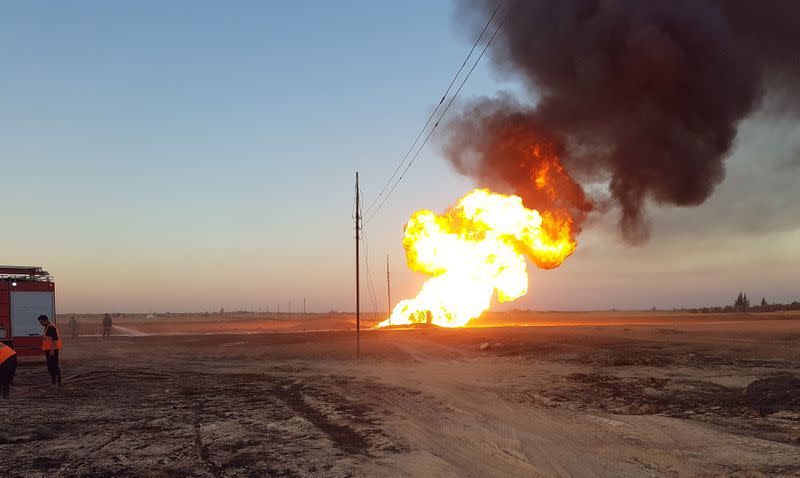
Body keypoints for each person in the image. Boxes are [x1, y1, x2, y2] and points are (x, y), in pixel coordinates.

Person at [38, 315, 62, 387]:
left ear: (46, 320)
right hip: (48, 350)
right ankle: (54, 381)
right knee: (50, 366)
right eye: (40, 322)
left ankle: (59, 382)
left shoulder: (51, 327)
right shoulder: (47, 327)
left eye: (41, 322)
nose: (41, 324)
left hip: (52, 350)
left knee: (54, 366)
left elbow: (55, 340)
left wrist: (52, 350)